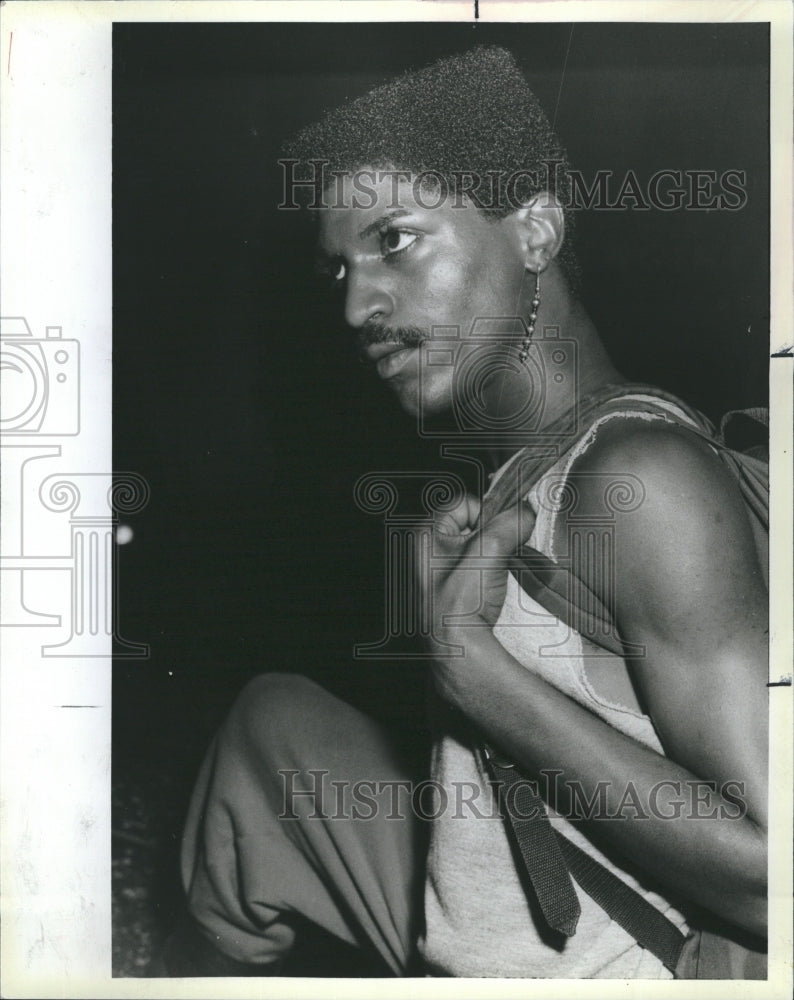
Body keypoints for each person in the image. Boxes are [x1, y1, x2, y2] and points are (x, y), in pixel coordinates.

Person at [158, 45, 768, 979]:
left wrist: (474, 673)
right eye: (338, 272)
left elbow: (779, 883)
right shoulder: (526, 468)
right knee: (269, 727)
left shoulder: (639, 479)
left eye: (395, 240)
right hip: (484, 931)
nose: (358, 304)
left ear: (535, 232)